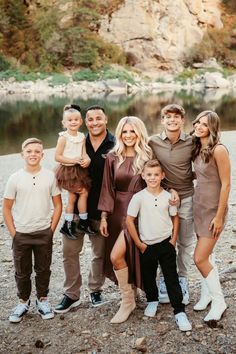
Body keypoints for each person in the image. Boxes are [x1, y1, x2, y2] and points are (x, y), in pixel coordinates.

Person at [54, 105, 115, 313]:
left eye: (99, 118)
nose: (94, 122)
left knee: (98, 253)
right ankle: (71, 295)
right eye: (90, 119)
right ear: (84, 122)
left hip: (101, 210)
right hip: (76, 210)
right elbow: (61, 168)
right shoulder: (78, 139)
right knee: (70, 252)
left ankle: (95, 290)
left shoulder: (114, 143)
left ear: (106, 119)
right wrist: (70, 186)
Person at [126, 159, 192, 331]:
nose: (153, 178)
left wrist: (173, 239)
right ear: (143, 175)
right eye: (149, 175)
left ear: (162, 176)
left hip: (166, 243)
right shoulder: (138, 197)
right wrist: (139, 244)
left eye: (156, 174)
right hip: (147, 245)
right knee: (149, 275)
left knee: (171, 277)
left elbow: (174, 217)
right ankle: (152, 300)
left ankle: (179, 311)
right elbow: (129, 221)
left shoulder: (168, 197)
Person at [98, 116, 153, 323]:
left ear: (139, 132)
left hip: (140, 212)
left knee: (122, 255)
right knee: (119, 255)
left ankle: (129, 299)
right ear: (119, 134)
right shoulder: (113, 157)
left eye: (132, 131)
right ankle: (129, 297)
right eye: (124, 132)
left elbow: (157, 181)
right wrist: (104, 216)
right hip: (117, 211)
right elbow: (107, 187)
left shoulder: (148, 155)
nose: (128, 136)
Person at [3, 138, 62, 323]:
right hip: (21, 234)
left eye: (37, 151)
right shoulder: (15, 178)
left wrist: (51, 229)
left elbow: (58, 205)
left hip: (43, 232)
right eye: (29, 151)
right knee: (22, 271)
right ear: (22, 154)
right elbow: (6, 208)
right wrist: (14, 233)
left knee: (43, 269)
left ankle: (42, 300)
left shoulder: (50, 176)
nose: (33, 154)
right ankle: (23, 302)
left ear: (42, 155)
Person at [148, 104, 194, 305]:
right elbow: (149, 169)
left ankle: (182, 279)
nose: (172, 120)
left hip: (187, 197)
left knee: (184, 241)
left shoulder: (192, 142)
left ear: (183, 120)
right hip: (163, 198)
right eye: (168, 117)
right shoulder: (154, 142)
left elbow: (201, 165)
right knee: (163, 240)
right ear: (162, 120)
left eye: (177, 117)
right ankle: (164, 279)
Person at [191, 110, 230, 323]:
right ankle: (206, 294)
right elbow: (201, 176)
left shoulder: (219, 149)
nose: (198, 126)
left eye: (204, 125)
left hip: (214, 210)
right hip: (199, 206)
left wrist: (219, 216)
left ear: (212, 128)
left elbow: (226, 184)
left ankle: (219, 301)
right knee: (209, 254)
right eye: (198, 122)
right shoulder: (198, 148)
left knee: (199, 258)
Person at [55, 104, 95, 237]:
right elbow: (57, 157)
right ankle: (78, 223)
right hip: (67, 170)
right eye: (70, 120)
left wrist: (86, 159)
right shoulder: (63, 138)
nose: (73, 122)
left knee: (78, 195)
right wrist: (73, 160)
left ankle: (74, 224)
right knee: (80, 193)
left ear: (81, 121)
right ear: (64, 123)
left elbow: (84, 153)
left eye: (76, 120)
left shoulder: (82, 136)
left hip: (79, 170)